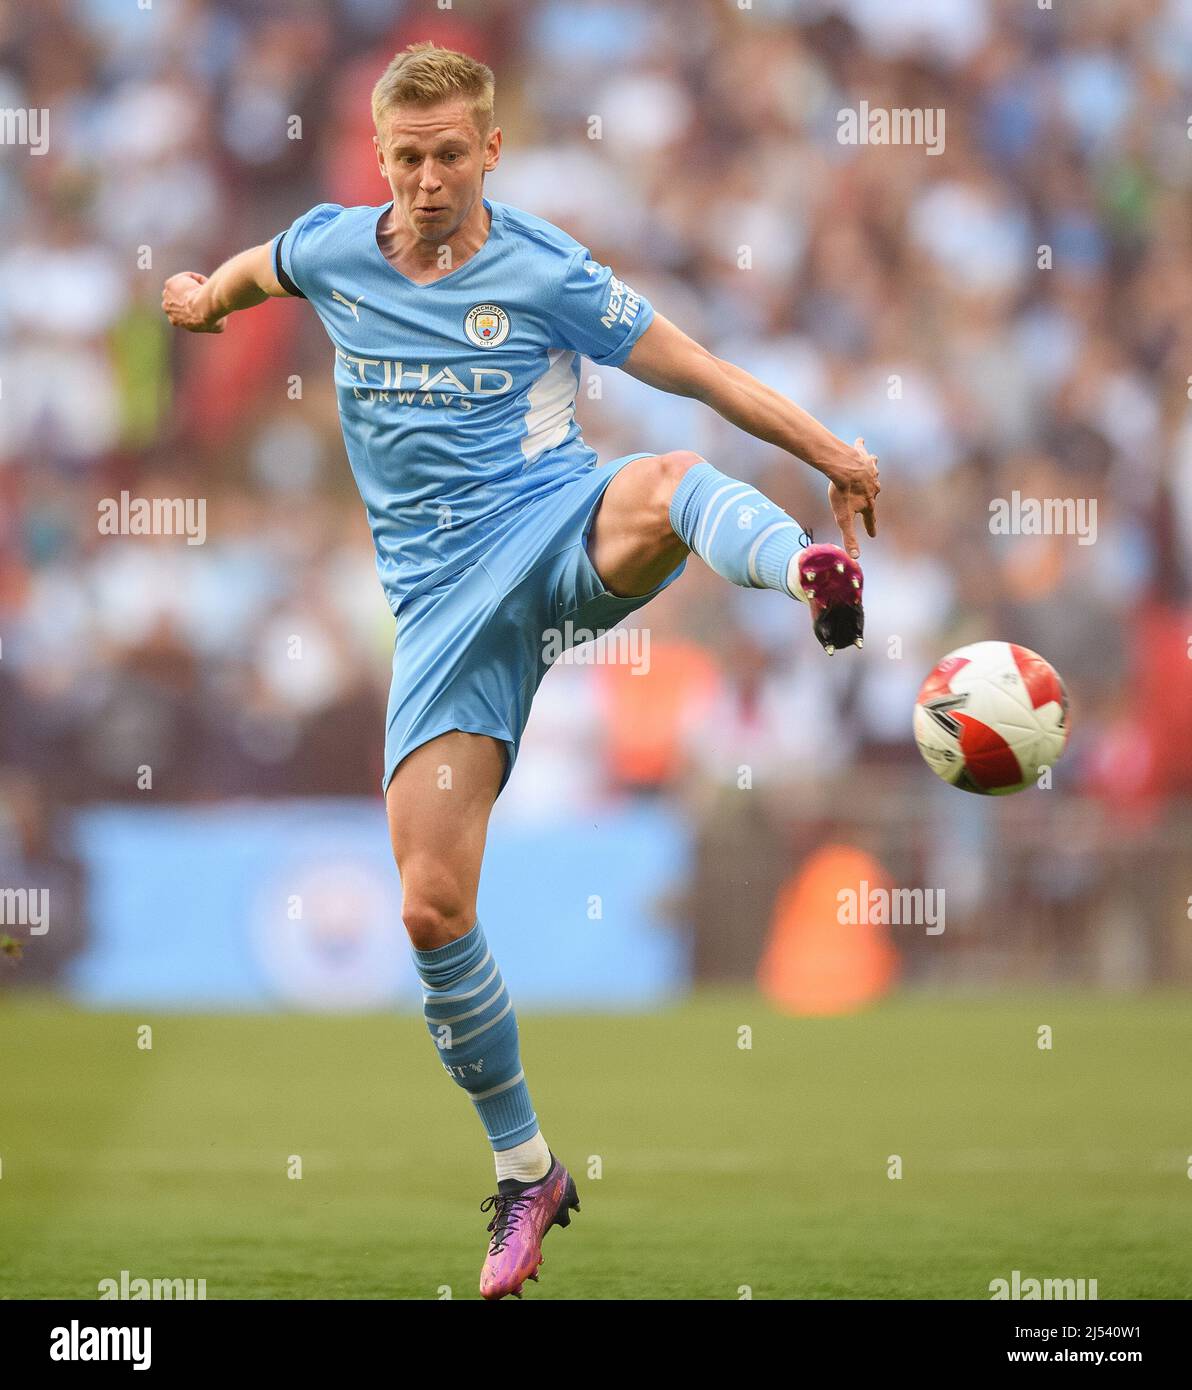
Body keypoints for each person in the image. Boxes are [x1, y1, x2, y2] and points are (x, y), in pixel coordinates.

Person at [162, 41, 879, 1300]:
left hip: (552, 528)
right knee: (430, 906)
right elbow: (252, 272)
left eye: (450, 156)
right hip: (438, 613)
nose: (428, 180)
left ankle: (805, 570)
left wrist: (833, 453)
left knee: (666, 478)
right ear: (378, 159)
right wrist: (199, 302)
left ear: (490, 150)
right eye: (407, 158)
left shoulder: (544, 268)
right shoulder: (335, 245)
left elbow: (696, 372)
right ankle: (529, 1171)